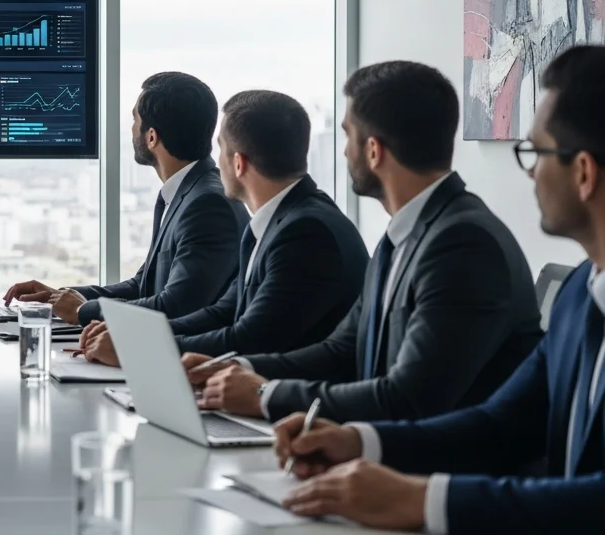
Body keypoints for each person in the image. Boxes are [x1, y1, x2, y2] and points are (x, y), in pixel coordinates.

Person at [271, 45, 605, 532]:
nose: (530, 171)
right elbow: (502, 423)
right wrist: (362, 442)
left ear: (583, 173)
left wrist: (424, 500)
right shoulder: (580, 291)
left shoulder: (465, 240)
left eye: (535, 152)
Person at [188, 61, 542, 424]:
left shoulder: (463, 245)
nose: (344, 152)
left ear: (373, 150)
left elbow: (408, 398)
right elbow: (343, 349)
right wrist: (235, 366)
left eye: (348, 136)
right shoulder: (407, 234)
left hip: (434, 469)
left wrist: (266, 395)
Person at [78, 90, 367, 365]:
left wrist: (136, 346)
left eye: (221, 150)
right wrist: (133, 334)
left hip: (290, 406)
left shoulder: (305, 233)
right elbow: (222, 313)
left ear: (239, 163)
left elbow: (250, 338)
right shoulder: (280, 220)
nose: (216, 164)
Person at [3, 71, 248, 325]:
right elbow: (142, 286)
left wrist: (83, 311)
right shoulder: (188, 192)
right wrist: (60, 297)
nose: (132, 130)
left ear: (151, 137)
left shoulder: (207, 204)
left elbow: (176, 305)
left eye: (134, 119)